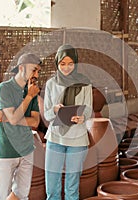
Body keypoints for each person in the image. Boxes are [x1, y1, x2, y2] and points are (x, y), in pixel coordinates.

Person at [44, 44, 93, 200]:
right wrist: (55, 110)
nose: (66, 68)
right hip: (55, 138)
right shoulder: (51, 83)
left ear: (76, 63)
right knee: (51, 186)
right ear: (57, 63)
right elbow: (46, 114)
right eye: (62, 64)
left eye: (70, 64)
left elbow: (88, 109)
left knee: (72, 187)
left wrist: (82, 118)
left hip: (78, 139)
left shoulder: (85, 83)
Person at [0, 53, 42, 200]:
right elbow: (14, 118)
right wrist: (28, 98)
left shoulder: (32, 90)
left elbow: (34, 122)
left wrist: (7, 119)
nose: (37, 75)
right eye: (34, 70)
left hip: (27, 149)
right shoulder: (4, 89)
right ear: (21, 68)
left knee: (22, 195)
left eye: (38, 71)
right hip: (6, 150)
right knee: (1, 196)